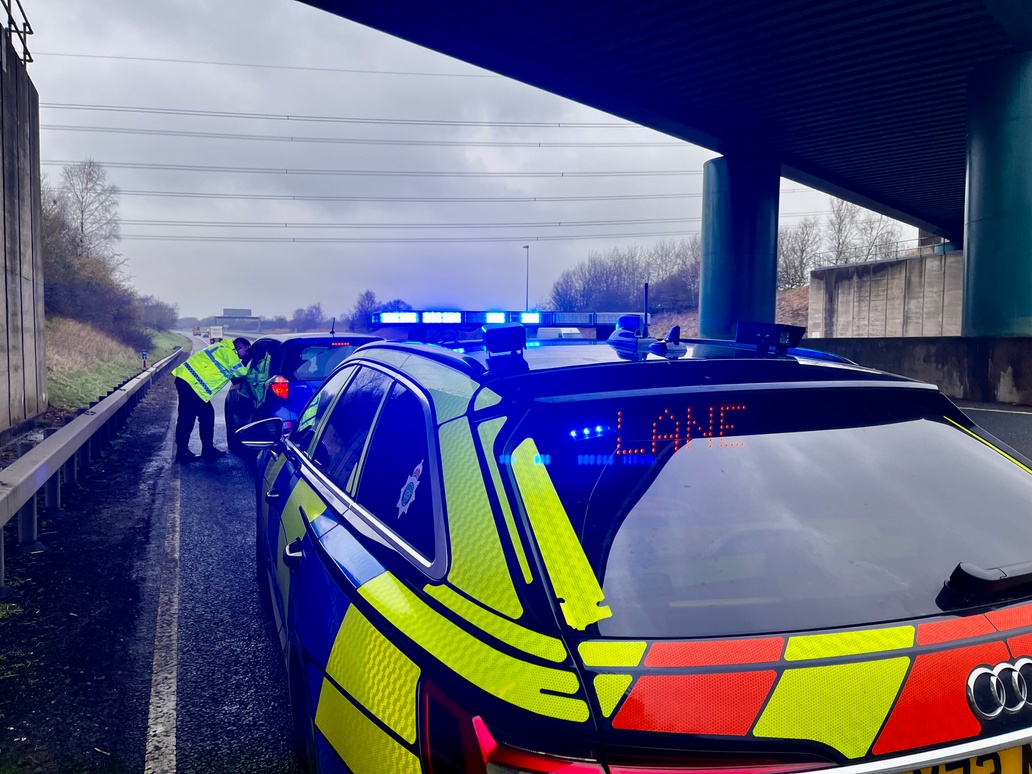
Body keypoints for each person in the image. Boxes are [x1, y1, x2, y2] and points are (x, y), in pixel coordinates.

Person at [172, 337, 250, 462]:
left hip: (188, 381)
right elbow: (241, 372)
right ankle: (185, 453)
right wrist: (257, 371)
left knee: (203, 415)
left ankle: (202, 450)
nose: (246, 355)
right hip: (191, 384)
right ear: (239, 348)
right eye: (246, 351)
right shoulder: (229, 353)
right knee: (189, 418)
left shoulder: (222, 348)